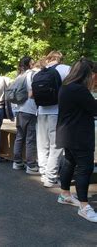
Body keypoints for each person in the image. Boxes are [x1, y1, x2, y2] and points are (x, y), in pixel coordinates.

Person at [55, 58, 97, 222]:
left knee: (70, 162)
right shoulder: (79, 90)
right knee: (84, 167)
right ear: (88, 74)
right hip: (79, 135)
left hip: (67, 133)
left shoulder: (66, 87)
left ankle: (65, 193)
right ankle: (84, 206)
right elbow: (94, 109)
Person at [34, 51, 70, 188]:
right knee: (56, 145)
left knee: (42, 144)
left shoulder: (39, 72)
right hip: (57, 111)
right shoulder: (66, 69)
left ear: (49, 58)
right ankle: (51, 176)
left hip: (41, 111)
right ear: (60, 59)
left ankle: (43, 173)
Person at [12, 56, 40, 174]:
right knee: (30, 138)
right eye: (32, 62)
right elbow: (32, 93)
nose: (34, 63)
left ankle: (17, 162)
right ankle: (31, 165)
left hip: (19, 109)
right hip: (30, 109)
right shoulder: (32, 75)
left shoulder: (19, 76)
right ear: (29, 64)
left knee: (19, 136)